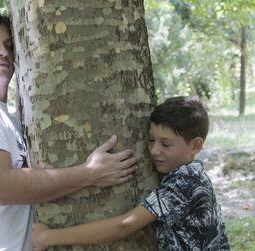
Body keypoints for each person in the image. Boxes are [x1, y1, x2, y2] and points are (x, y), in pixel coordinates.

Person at [0, 10, 139, 251]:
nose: (3, 52)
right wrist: (89, 173)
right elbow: (4, 187)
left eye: (9, 45)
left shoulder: (5, 116)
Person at [32, 96, 230, 250]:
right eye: (151, 140)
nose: (154, 151)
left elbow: (124, 225)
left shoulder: (185, 181)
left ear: (195, 145)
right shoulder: (193, 175)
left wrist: (48, 237)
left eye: (166, 144)